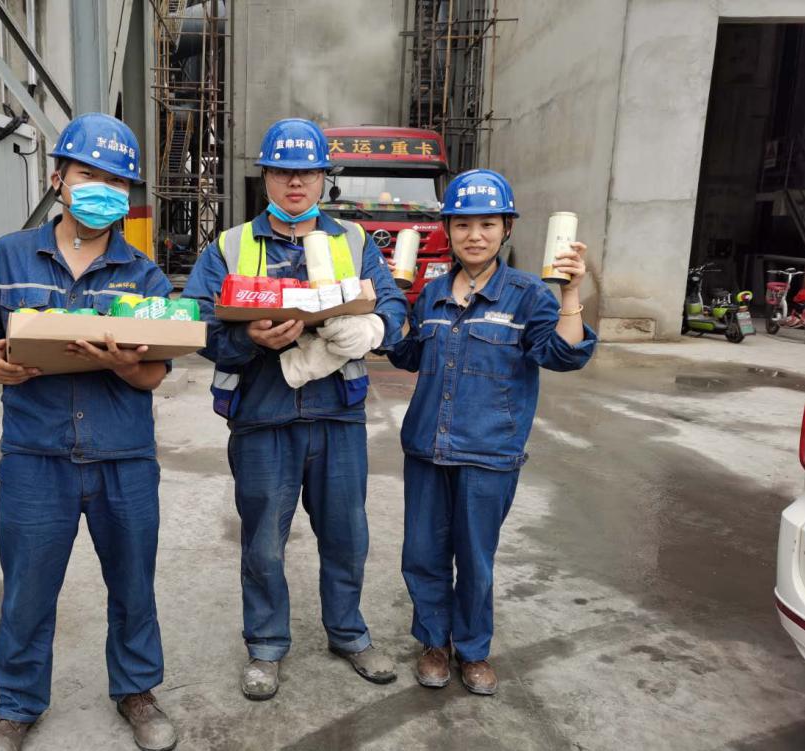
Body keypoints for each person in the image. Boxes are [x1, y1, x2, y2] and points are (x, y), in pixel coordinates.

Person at [0, 113, 178, 751]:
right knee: (28, 590)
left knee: (133, 584)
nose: (103, 190)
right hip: (36, 456)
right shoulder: (7, 256)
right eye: (89, 175)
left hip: (123, 456)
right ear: (58, 178)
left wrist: (126, 365)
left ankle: (136, 690)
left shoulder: (145, 277)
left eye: (118, 181)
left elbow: (155, 373)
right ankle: (17, 705)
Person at [182, 118, 408, 700]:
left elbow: (392, 302)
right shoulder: (231, 246)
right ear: (265, 177)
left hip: (337, 414)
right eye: (283, 172)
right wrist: (247, 339)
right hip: (262, 414)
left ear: (324, 177)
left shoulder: (352, 242)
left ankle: (348, 633)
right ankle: (265, 645)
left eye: (307, 172)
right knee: (263, 540)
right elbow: (195, 322)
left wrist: (375, 328)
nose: (296, 183)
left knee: (346, 535)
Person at [387, 168, 596, 695]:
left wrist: (571, 293)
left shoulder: (528, 295)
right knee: (423, 554)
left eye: (487, 224)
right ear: (448, 231)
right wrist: (393, 301)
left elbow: (563, 354)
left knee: (475, 559)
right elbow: (406, 354)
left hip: (490, 452)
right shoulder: (432, 293)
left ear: (507, 229)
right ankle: (434, 644)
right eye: (462, 225)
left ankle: (474, 649)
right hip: (427, 448)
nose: (474, 235)